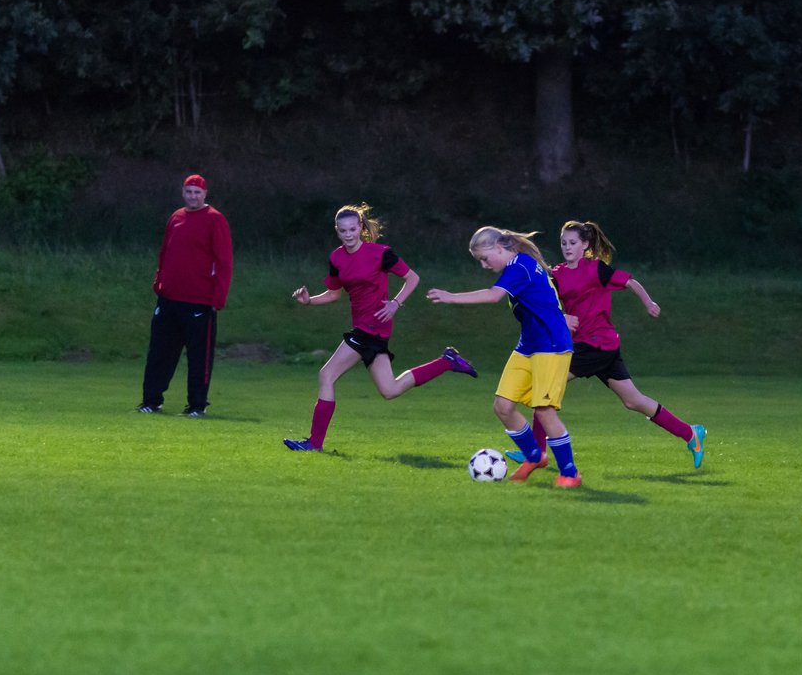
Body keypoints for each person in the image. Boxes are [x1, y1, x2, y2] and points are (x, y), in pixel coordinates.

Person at [505, 220, 705, 470]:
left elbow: (630, 281)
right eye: (563, 243)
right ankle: (691, 434)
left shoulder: (596, 269)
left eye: (573, 243)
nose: (567, 247)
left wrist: (648, 302)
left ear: (585, 245)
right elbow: (546, 301)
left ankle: (535, 453)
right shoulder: (557, 274)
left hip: (597, 344)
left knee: (542, 391)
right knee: (633, 400)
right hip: (593, 347)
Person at [282, 204, 478, 452]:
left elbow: (412, 278)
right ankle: (447, 361)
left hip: (372, 326)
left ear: (361, 227)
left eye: (353, 229)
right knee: (390, 389)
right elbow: (333, 294)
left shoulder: (381, 253)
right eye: (343, 231)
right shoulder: (337, 258)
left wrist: (396, 303)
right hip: (368, 330)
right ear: (337, 231)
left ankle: (314, 443)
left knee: (326, 375)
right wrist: (309, 301)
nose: (348, 234)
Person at [425, 226, 582, 488]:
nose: (485, 265)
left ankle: (570, 472)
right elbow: (542, 298)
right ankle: (534, 456)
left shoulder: (519, 266)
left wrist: (451, 297)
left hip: (551, 345)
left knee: (544, 411)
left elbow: (493, 295)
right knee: (503, 406)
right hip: (528, 346)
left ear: (499, 247)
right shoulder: (521, 265)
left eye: (486, 258)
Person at [137, 173, 233, 417]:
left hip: (199, 301)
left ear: (205, 194)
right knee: (159, 353)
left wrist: (218, 298)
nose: (193, 196)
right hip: (169, 299)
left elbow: (224, 262)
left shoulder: (215, 220)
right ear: (183, 192)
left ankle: (197, 406)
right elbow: (165, 252)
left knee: (199, 358)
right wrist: (159, 283)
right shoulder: (176, 217)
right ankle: (151, 401)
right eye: (189, 191)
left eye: (197, 192)